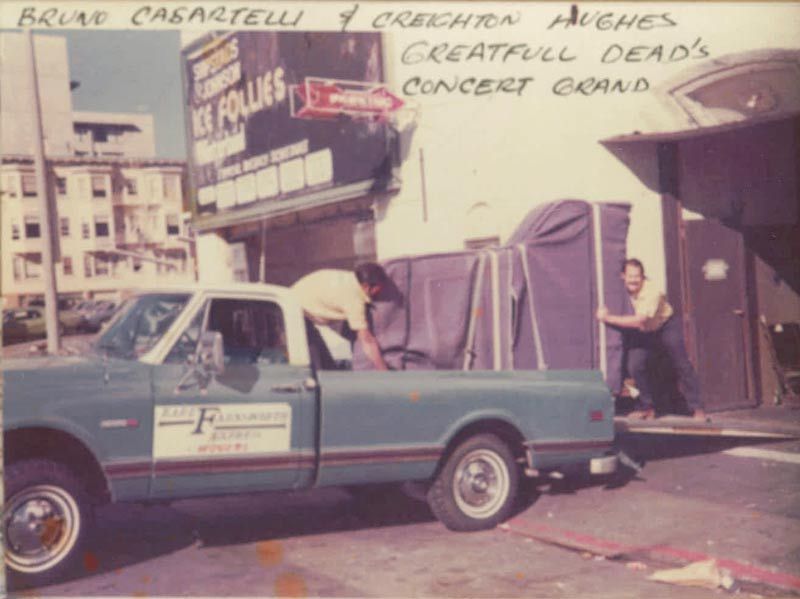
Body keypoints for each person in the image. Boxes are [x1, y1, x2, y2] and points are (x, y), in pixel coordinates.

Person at [596, 258, 706, 421]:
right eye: (630, 276)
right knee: (635, 365)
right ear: (622, 276)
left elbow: (640, 320)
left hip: (664, 326)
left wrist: (607, 318)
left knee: (681, 363)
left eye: (637, 276)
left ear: (643, 277)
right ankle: (647, 407)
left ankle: (698, 408)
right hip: (644, 331)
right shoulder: (618, 290)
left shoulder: (652, 291)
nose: (634, 280)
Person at [291, 263, 389, 371]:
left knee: (326, 365)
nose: (380, 292)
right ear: (366, 286)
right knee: (319, 369)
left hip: (298, 303)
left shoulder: (350, 279)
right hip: (294, 315)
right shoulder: (354, 299)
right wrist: (384, 371)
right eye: (378, 288)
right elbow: (367, 341)